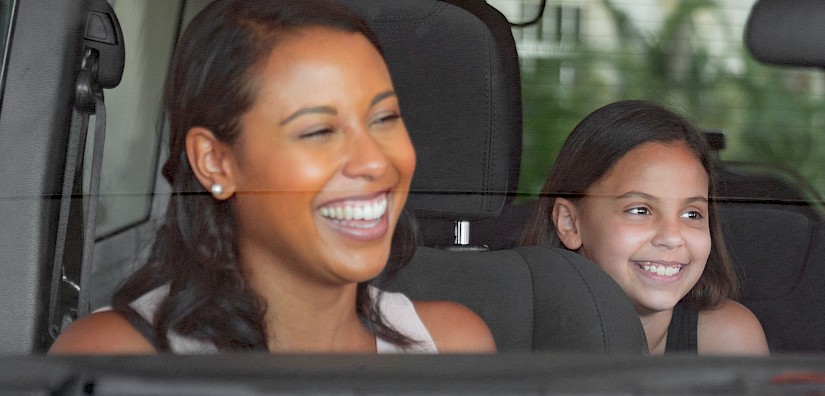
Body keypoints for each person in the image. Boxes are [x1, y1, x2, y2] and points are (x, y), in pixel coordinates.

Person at [52, 0, 494, 354]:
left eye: (385, 118)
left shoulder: (453, 347)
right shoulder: (117, 360)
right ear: (215, 162)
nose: (375, 162)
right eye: (320, 131)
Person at [522, 101, 769, 355]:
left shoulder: (727, 340)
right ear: (570, 223)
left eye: (691, 214)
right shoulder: (510, 336)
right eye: (640, 210)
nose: (672, 237)